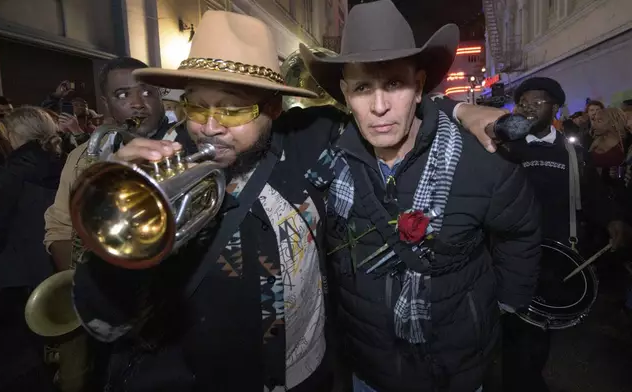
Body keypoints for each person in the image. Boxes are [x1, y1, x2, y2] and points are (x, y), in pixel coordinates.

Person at [68, 9, 516, 392]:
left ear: (273, 110)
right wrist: (116, 209)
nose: (209, 126)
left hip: (304, 378)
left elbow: (386, 106)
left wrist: (459, 109)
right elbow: (104, 320)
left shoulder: (305, 140)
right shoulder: (156, 167)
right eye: (196, 106)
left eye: (233, 109)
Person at [300, 1, 541, 391]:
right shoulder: (329, 158)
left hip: (457, 366)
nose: (379, 107)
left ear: (419, 86)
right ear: (345, 95)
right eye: (363, 88)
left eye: (394, 83)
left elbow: (520, 231)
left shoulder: (480, 160)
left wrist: (505, 304)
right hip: (368, 367)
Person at [505, 77, 632, 392]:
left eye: (538, 102)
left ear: (555, 108)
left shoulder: (572, 152)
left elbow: (592, 194)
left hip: (557, 257)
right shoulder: (507, 150)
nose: (530, 108)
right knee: (513, 331)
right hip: (512, 254)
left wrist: (613, 220)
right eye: (524, 102)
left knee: (537, 334)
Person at [43, 56, 196, 271]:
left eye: (146, 92)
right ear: (106, 103)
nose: (137, 104)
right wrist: (76, 278)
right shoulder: (82, 156)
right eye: (122, 95)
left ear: (159, 95)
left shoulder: (190, 143)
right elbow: (60, 227)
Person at [0, 106, 65, 392]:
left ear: (14, 133)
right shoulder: (65, 162)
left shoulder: (5, 174)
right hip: (57, 266)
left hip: (17, 278)